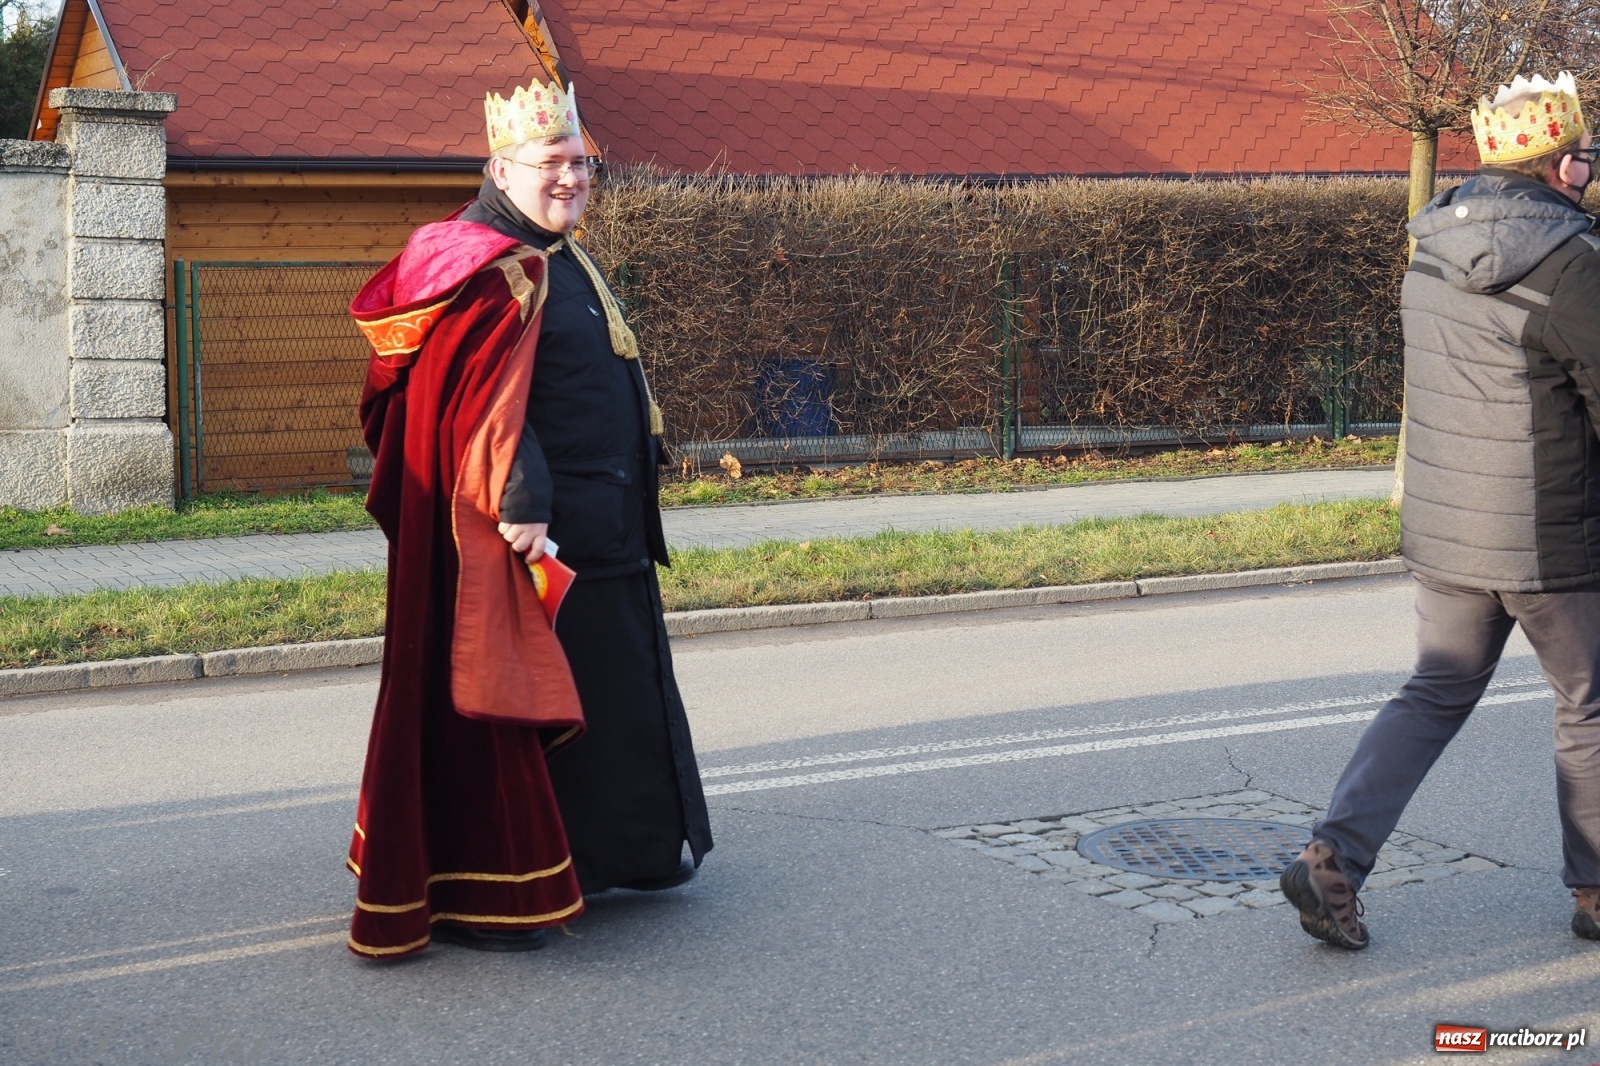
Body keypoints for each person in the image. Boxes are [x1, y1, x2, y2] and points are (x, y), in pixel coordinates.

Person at [344, 79, 711, 959]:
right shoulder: (485, 266)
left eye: (581, 163)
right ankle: (495, 889)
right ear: (502, 168)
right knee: (522, 708)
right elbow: (477, 405)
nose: (572, 178)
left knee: (611, 693)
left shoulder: (556, 251)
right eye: (553, 162)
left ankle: (611, 859)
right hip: (538, 537)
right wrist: (523, 501)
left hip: (607, 523)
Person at [1280, 72, 1600, 951]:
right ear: (1561, 166)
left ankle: (1332, 858)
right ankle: (1596, 891)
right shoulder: (1573, 263)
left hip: (1448, 527)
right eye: (1586, 155)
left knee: (1432, 692)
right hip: (1550, 534)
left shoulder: (1429, 250)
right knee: (1587, 703)